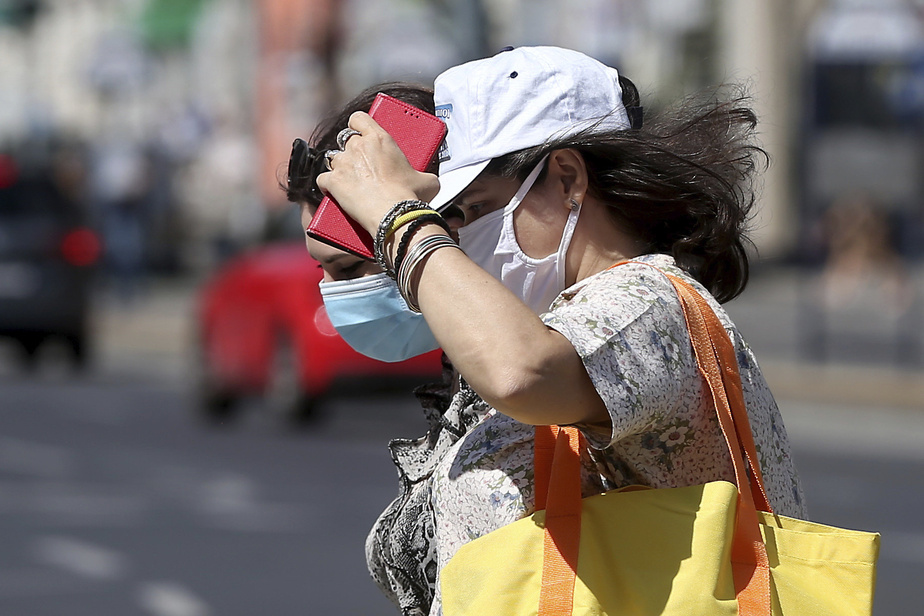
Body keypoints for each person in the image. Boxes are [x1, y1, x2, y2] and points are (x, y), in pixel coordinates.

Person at [309, 46, 807, 615]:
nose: (456, 238)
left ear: (567, 179)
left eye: (470, 212)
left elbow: (521, 372)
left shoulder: (647, 303)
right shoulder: (560, 323)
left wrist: (398, 217)